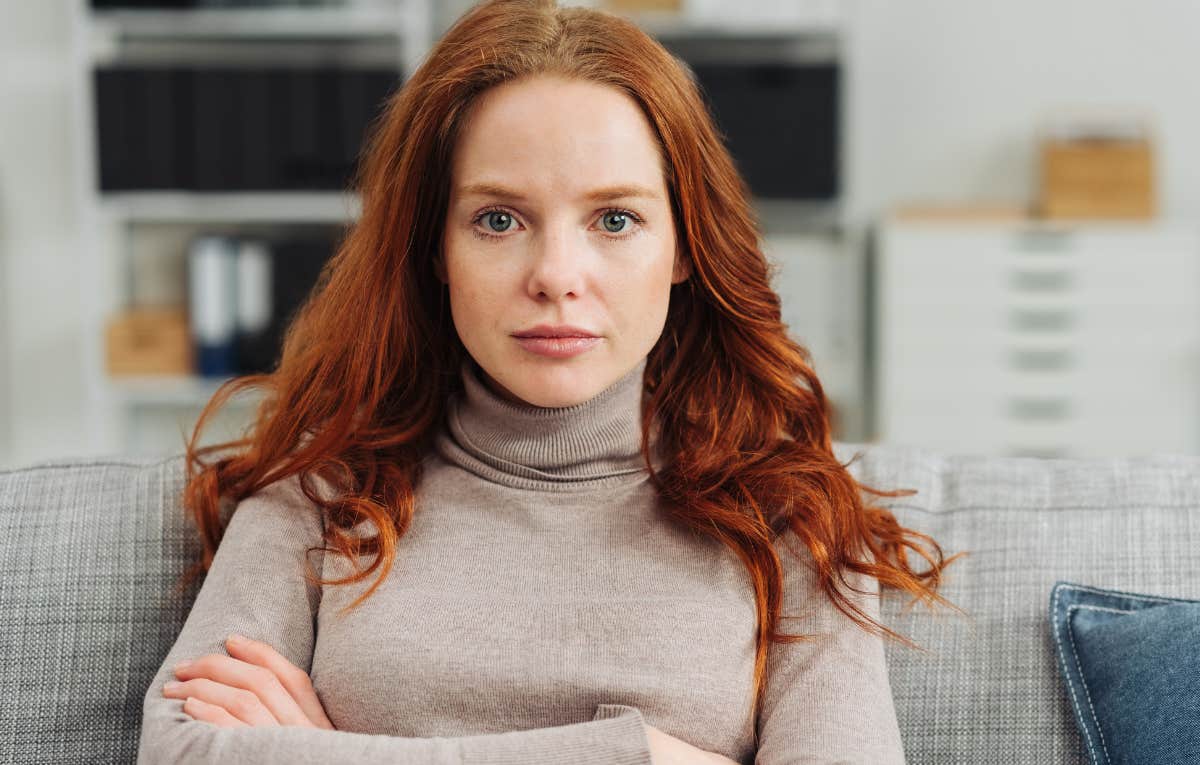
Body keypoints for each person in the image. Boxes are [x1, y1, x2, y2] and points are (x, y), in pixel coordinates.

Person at [135, 0, 960, 762]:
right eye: (499, 219)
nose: (557, 274)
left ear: (683, 247)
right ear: (436, 249)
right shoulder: (320, 492)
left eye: (615, 219)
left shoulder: (792, 514)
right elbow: (177, 749)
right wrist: (645, 755)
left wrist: (328, 749)